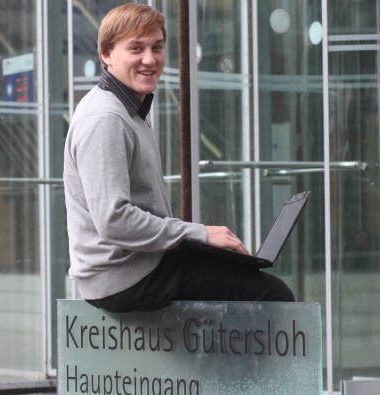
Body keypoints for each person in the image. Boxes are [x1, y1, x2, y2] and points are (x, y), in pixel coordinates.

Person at [63, 3, 294, 313]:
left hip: (138, 263)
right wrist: (199, 233)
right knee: (274, 297)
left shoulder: (127, 108)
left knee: (245, 276)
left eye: (157, 47)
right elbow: (113, 220)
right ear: (106, 55)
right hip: (124, 277)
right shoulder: (106, 118)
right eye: (136, 48)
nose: (150, 59)